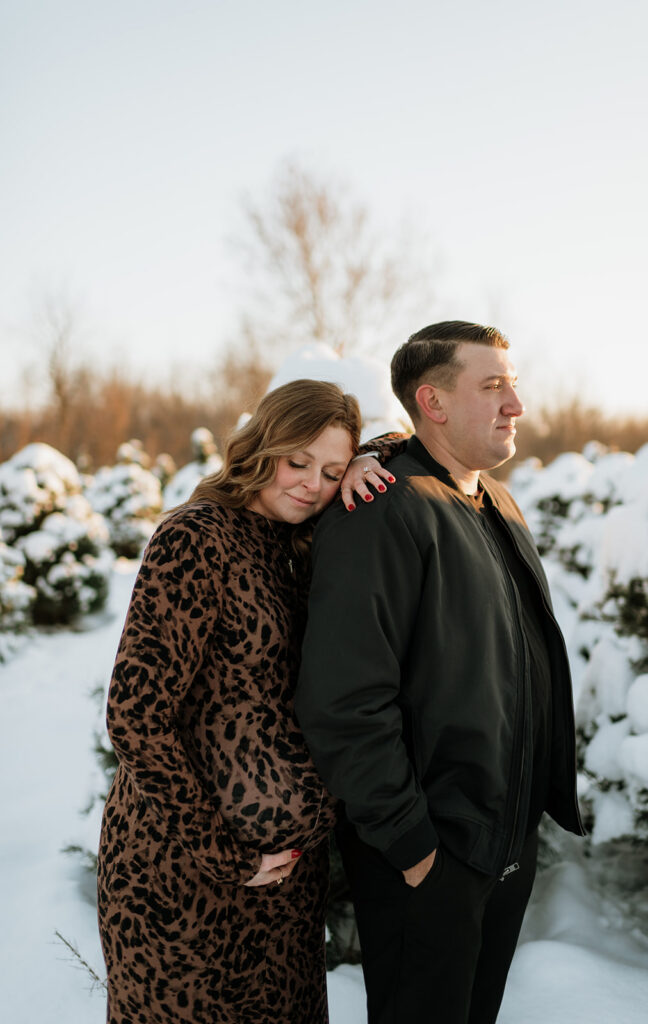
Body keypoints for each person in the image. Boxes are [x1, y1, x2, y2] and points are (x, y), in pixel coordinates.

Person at [295, 322, 585, 1024]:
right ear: (433, 401)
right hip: (429, 860)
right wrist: (412, 845)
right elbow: (343, 700)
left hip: (503, 843)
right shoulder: (381, 510)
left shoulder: (495, 501)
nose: (515, 403)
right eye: (492, 386)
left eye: (514, 384)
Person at [97, 378, 395, 1024]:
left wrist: (375, 457)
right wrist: (226, 856)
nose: (312, 485)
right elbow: (135, 716)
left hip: (286, 891)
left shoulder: (300, 544)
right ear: (264, 445)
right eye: (298, 462)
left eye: (331, 472)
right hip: (184, 882)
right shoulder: (196, 539)